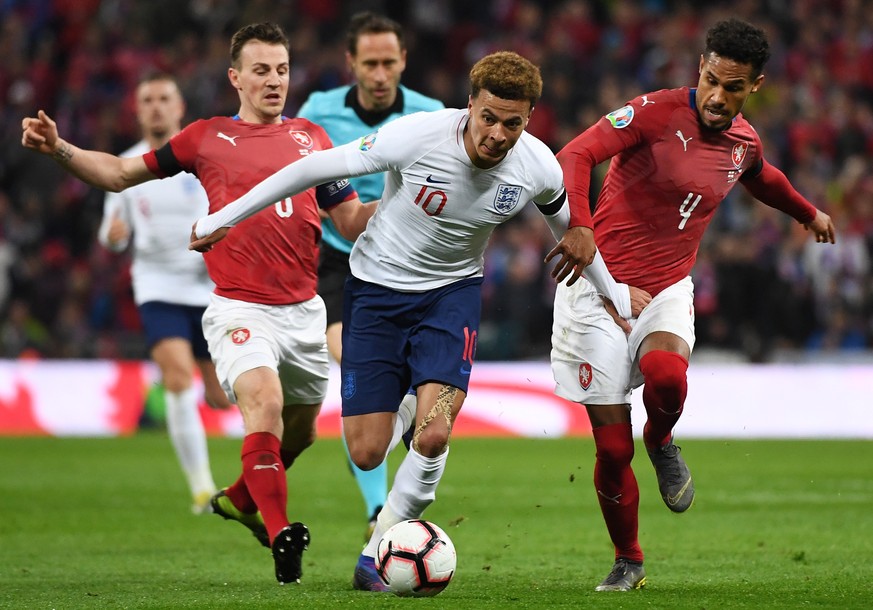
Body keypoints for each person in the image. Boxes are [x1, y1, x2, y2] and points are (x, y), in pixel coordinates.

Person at [190, 50, 645, 592]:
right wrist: (222, 217)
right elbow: (314, 168)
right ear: (469, 105)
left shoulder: (538, 167)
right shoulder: (417, 136)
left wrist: (615, 298)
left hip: (451, 298)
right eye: (489, 118)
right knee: (366, 450)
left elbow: (574, 235)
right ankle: (409, 404)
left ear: (528, 120)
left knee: (434, 437)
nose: (499, 134)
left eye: (513, 123)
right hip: (375, 293)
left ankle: (375, 552)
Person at [22, 22, 375, 585]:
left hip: (304, 310)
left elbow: (352, 221)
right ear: (235, 77)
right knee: (264, 404)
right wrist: (59, 147)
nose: (273, 81)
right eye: (260, 70)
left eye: (281, 70)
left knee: (302, 433)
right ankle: (282, 531)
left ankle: (240, 499)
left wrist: (407, 204)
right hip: (239, 307)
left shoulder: (314, 139)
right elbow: (118, 174)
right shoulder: (206, 138)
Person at [549, 18, 836, 592]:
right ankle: (629, 558)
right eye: (711, 79)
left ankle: (661, 438)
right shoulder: (652, 112)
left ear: (754, 86)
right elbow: (575, 154)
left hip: (667, 287)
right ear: (699, 66)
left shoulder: (743, 142)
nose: (717, 95)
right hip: (597, 287)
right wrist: (580, 226)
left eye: (732, 87)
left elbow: (762, 177)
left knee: (666, 378)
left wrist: (807, 212)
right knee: (610, 448)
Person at [296, 11, 444, 541]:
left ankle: (400, 473)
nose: (380, 74)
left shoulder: (432, 116)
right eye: (370, 63)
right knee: (347, 352)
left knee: (405, 386)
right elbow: (299, 168)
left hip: (411, 265)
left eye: (389, 62)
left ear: (403, 61)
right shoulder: (319, 113)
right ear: (351, 63)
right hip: (341, 259)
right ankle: (376, 508)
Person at [96, 72, 230, 515]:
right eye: (147, 99)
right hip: (158, 288)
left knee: (221, 396)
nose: (156, 106)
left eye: (164, 98)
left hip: (211, 288)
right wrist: (115, 236)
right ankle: (201, 489)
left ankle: (256, 477)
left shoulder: (201, 157)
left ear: (178, 108)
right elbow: (110, 234)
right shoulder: (126, 164)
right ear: (137, 110)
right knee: (175, 377)